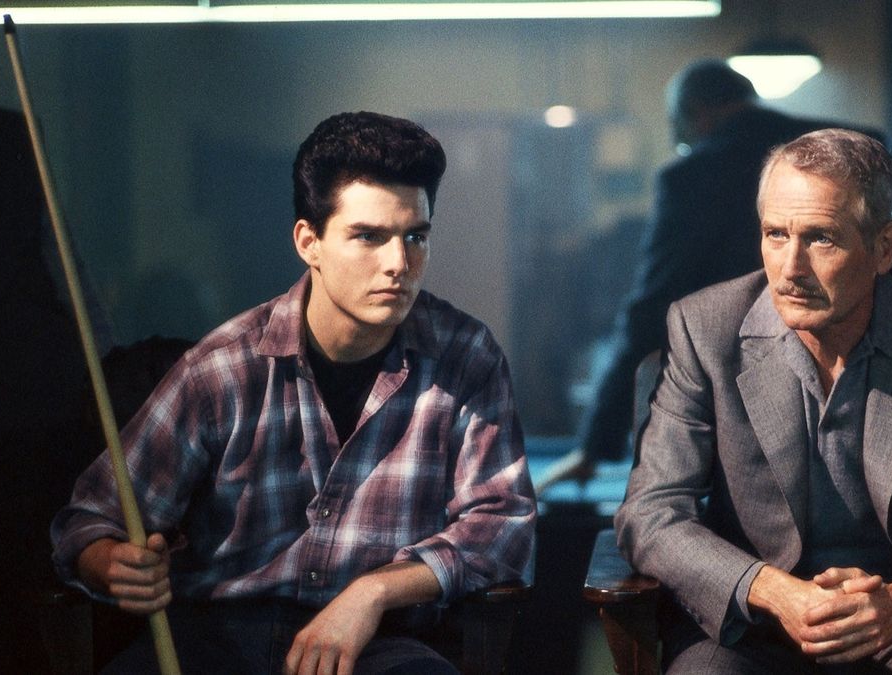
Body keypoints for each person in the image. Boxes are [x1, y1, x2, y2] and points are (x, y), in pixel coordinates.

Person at [51, 111, 536, 675]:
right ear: (309, 242)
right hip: (215, 642)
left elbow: (502, 527)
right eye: (368, 237)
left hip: (377, 646)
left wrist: (372, 594)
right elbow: (90, 519)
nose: (399, 264)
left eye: (415, 236)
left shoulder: (465, 356)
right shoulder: (222, 368)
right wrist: (110, 562)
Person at [613, 129, 892, 673]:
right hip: (749, 631)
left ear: (885, 247)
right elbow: (652, 513)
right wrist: (773, 591)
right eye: (776, 234)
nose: (790, 268)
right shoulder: (705, 329)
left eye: (821, 239)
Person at [535, 60, 892, 494]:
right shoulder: (866, 150)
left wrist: (595, 444)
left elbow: (651, 310)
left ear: (696, 114)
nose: (792, 266)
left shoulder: (691, 176)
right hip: (883, 395)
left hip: (752, 414)